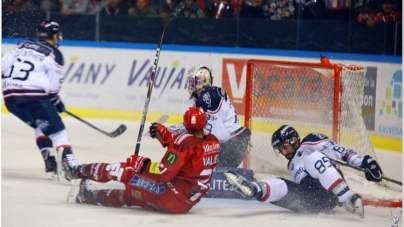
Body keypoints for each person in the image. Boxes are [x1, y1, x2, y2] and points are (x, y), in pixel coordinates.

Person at [65, 107, 220, 214]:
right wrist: (167, 137)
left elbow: (163, 172)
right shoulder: (213, 141)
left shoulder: (184, 142)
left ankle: (78, 171)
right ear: (204, 123)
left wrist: (142, 164)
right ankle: (89, 196)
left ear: (185, 123)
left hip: (165, 194)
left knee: (124, 171)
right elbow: (190, 156)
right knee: (130, 195)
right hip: (183, 204)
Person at [224, 125, 384, 219]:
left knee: (313, 158)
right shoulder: (291, 166)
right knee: (281, 184)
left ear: (294, 141)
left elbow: (340, 151)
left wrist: (363, 162)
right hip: (313, 202)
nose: (284, 152)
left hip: (331, 192)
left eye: (285, 147)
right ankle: (254, 190)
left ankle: (348, 198)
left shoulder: (310, 141)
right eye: (281, 150)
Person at [1, 20, 81, 182]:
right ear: (56, 35)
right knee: (59, 133)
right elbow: (53, 87)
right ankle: (72, 168)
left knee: (40, 124)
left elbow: (3, 66)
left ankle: (50, 162)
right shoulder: (54, 53)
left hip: (10, 98)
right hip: (33, 97)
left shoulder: (22, 46)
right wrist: (56, 101)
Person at [168, 64, 251, 168]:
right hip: (235, 141)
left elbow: (218, 135)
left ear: (201, 82)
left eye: (192, 82)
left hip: (232, 143)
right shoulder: (207, 95)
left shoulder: (207, 96)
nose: (190, 85)